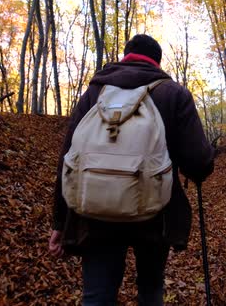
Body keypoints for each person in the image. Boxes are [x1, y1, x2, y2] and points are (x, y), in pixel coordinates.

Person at [49, 34, 214, 305]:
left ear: (125, 56)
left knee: (97, 296)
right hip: (154, 214)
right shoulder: (172, 93)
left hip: (95, 210)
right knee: (150, 289)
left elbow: (67, 157)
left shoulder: (95, 92)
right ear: (157, 62)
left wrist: (59, 221)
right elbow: (199, 163)